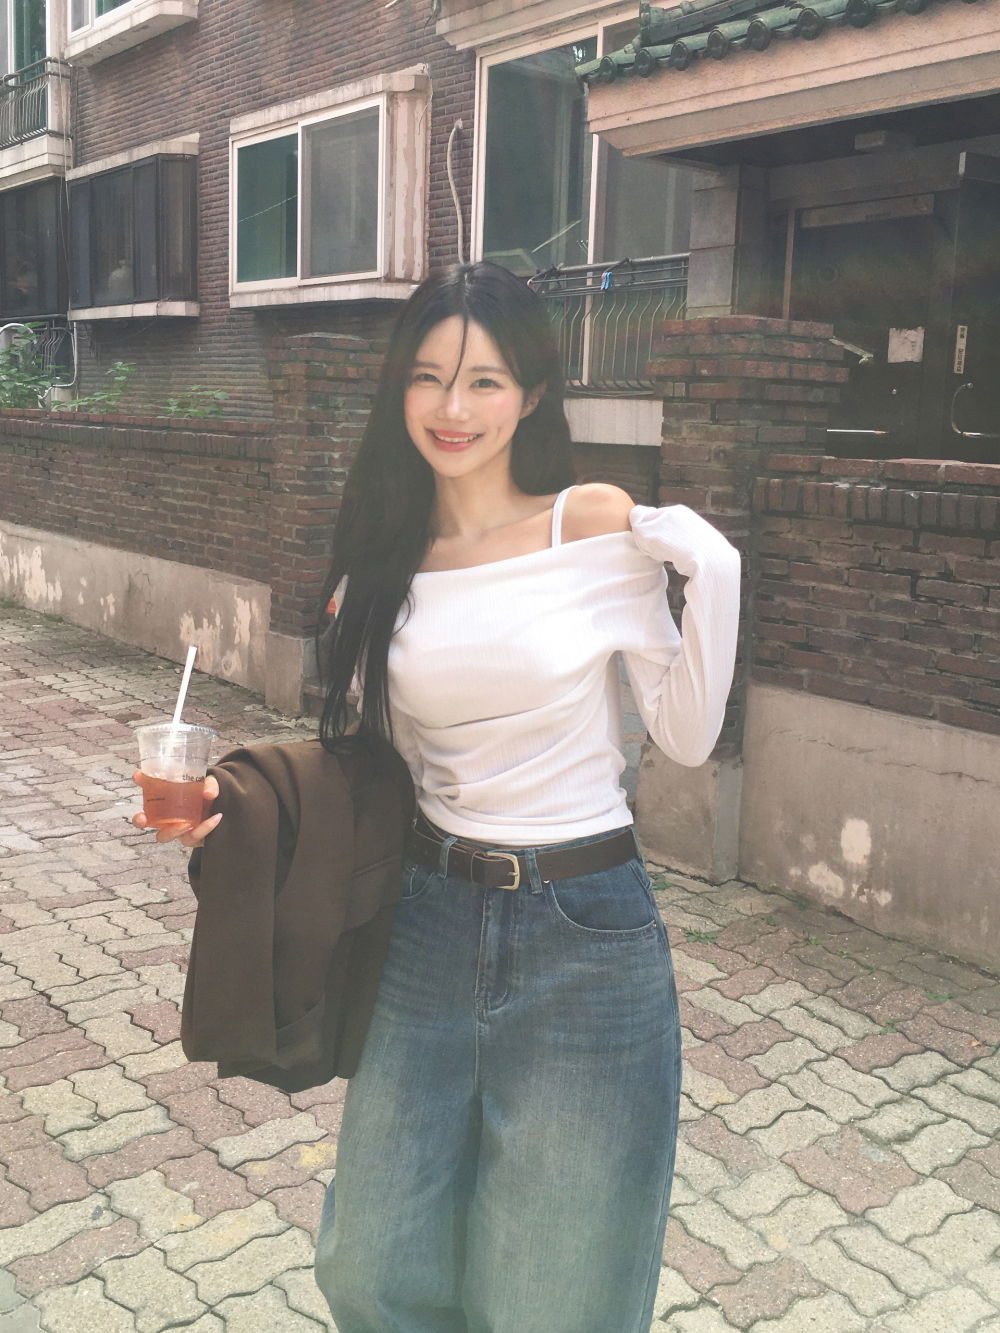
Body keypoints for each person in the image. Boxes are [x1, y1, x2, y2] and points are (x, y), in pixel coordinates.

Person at [135, 260, 741, 1333]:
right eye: (427, 376)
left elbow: (686, 739)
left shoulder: (588, 524)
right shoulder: (387, 553)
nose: (452, 408)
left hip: (584, 928)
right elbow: (383, 763)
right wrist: (245, 806)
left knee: (553, 1297)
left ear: (533, 394)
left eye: (484, 381)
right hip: (426, 916)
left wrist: (716, 575)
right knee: (371, 1266)